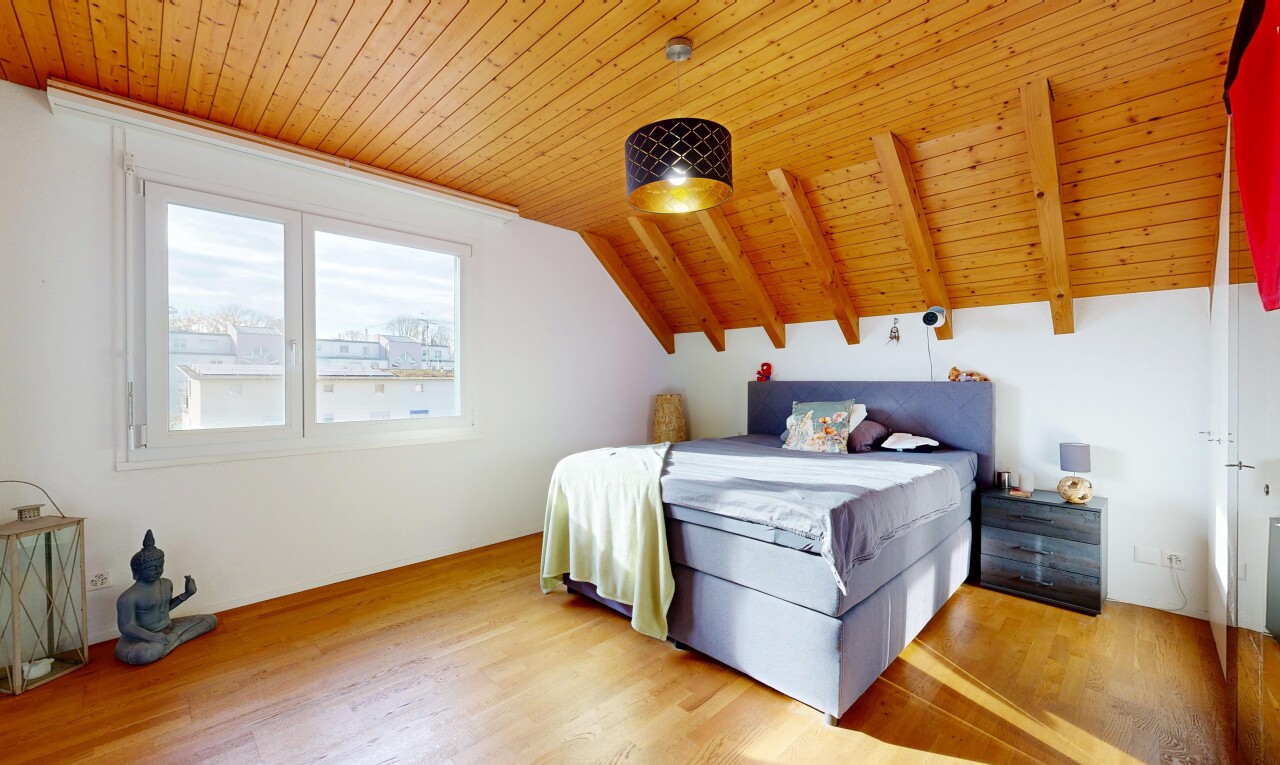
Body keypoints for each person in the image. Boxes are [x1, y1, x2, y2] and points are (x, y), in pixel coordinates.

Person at [114, 530, 217, 665]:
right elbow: (127, 627)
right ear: (137, 571)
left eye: (160, 566)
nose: (158, 570)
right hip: (141, 638)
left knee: (210, 619)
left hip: (168, 626)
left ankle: (169, 641)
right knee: (143, 654)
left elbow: (165, 609)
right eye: (152, 568)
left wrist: (186, 594)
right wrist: (151, 636)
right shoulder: (128, 597)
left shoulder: (166, 583)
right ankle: (174, 638)